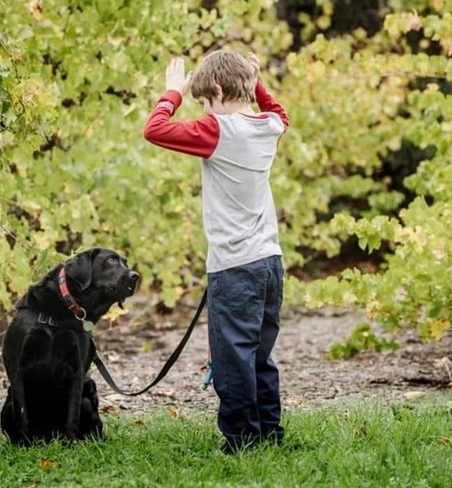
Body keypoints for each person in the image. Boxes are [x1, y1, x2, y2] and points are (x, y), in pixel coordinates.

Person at [143, 50, 290, 454]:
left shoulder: (218, 130)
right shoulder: (269, 126)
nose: (205, 109)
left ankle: (241, 441)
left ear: (220, 92)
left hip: (234, 267)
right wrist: (255, 80)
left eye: (205, 100)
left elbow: (155, 130)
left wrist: (171, 94)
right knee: (260, 355)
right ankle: (269, 435)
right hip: (270, 262)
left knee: (232, 360)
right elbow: (279, 111)